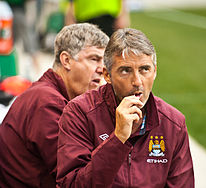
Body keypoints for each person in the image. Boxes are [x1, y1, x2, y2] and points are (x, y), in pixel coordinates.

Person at [57, 28, 195, 187]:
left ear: (155, 71)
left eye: (145, 69)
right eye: (125, 70)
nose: (137, 81)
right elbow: (72, 185)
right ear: (107, 75)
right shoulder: (79, 113)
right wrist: (117, 139)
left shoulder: (173, 124)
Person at [0, 23, 109, 187]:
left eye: (104, 61)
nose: (102, 69)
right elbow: (78, 180)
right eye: (94, 59)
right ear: (66, 60)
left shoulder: (48, 95)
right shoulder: (48, 102)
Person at [64, 0, 130, 37]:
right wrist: (70, 19)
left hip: (109, 17)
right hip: (84, 17)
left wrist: (123, 14)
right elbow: (70, 2)